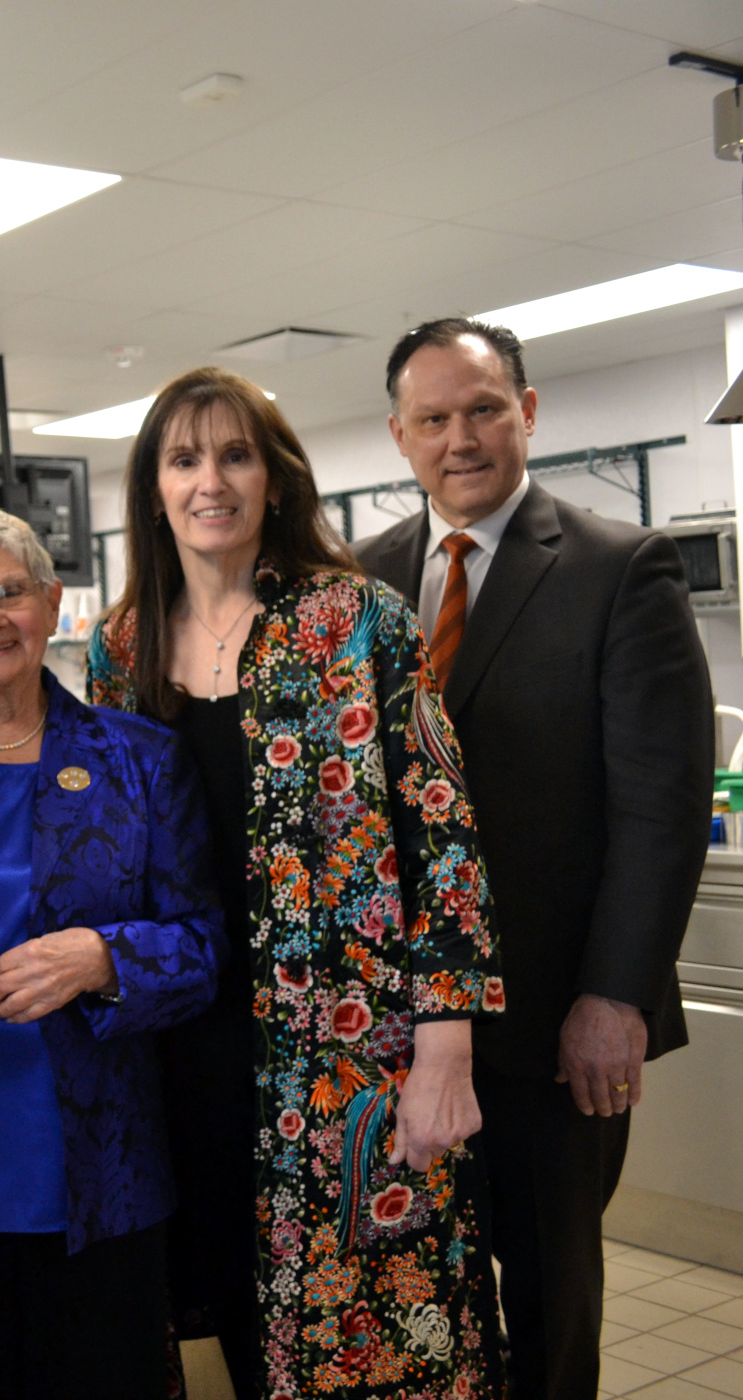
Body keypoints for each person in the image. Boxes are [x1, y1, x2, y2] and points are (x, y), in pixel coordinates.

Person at [89, 365, 505, 1400]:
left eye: (235, 454)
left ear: (274, 479)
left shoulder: (361, 621)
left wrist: (446, 1042)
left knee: (388, 1325)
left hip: (350, 1048)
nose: (210, 481)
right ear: (153, 487)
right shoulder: (121, 646)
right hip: (184, 1045)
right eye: (184, 459)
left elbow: (444, 833)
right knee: (226, 1305)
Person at [355, 319, 711, 1400]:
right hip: (395, 1025)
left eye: (483, 409)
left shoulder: (620, 566)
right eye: (434, 418)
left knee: (550, 1293)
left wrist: (616, 996)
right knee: (414, 1289)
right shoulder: (357, 583)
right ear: (399, 435)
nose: (460, 438)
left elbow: (660, 806)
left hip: (556, 1025)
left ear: (528, 411)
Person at [0, 503, 223, 1400]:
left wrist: (105, 957)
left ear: (53, 604)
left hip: (102, 1179)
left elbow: (206, 943)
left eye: (8, 592)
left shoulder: (139, 758)